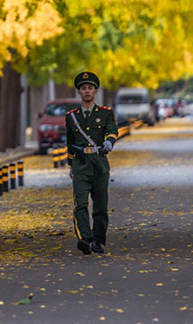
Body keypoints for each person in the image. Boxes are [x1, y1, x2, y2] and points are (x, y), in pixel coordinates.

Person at [66, 71, 118, 254]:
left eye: (90, 88)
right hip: (80, 165)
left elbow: (112, 130)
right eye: (83, 88)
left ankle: (98, 240)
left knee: (100, 207)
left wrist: (109, 142)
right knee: (80, 204)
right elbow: (70, 143)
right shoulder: (71, 116)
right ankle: (84, 239)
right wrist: (71, 165)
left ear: (95, 91)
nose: (87, 91)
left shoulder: (105, 114)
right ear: (79, 92)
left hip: (99, 165)